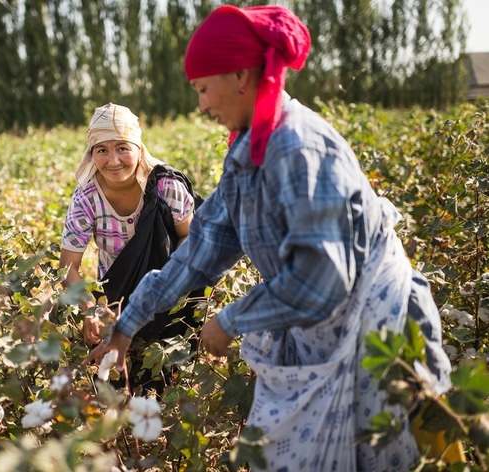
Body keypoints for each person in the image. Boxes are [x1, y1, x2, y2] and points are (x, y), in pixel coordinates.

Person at [87, 5, 453, 470]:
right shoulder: (248, 148)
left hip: (371, 334)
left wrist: (231, 318)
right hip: (320, 331)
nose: (201, 105)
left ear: (241, 76)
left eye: (203, 88)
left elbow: (322, 278)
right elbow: (199, 250)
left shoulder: (298, 147)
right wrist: (126, 326)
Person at [60, 102, 203, 393]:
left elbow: (190, 238)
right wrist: (89, 309)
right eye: (102, 150)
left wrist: (172, 282)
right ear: (92, 154)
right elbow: (68, 266)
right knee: (119, 386)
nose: (113, 160)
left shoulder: (165, 187)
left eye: (122, 147)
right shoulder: (87, 199)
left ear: (139, 147)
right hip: (117, 300)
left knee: (168, 381)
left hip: (170, 295)